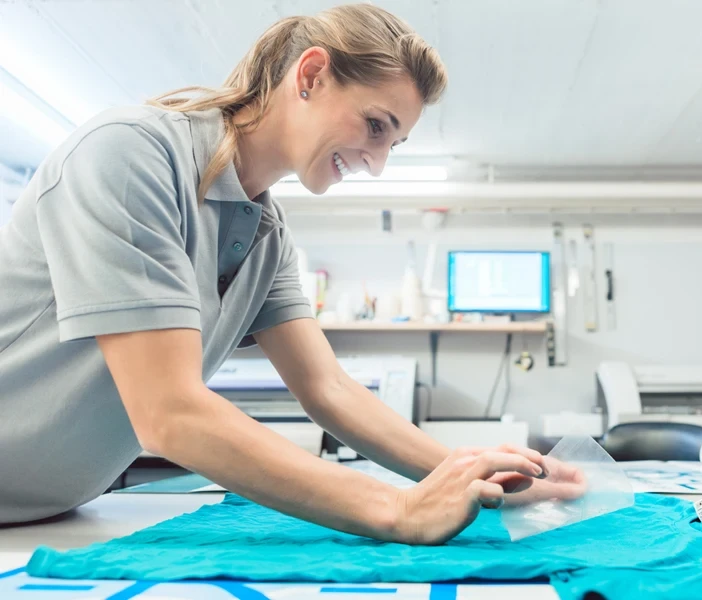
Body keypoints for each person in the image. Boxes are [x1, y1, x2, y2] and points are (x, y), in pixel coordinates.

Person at [0, 4, 583, 544]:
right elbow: (168, 413)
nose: (377, 164)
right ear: (310, 76)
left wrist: (472, 472)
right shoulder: (130, 155)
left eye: (394, 144)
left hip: (43, 516)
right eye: (375, 125)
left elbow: (329, 390)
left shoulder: (265, 236)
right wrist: (396, 509)